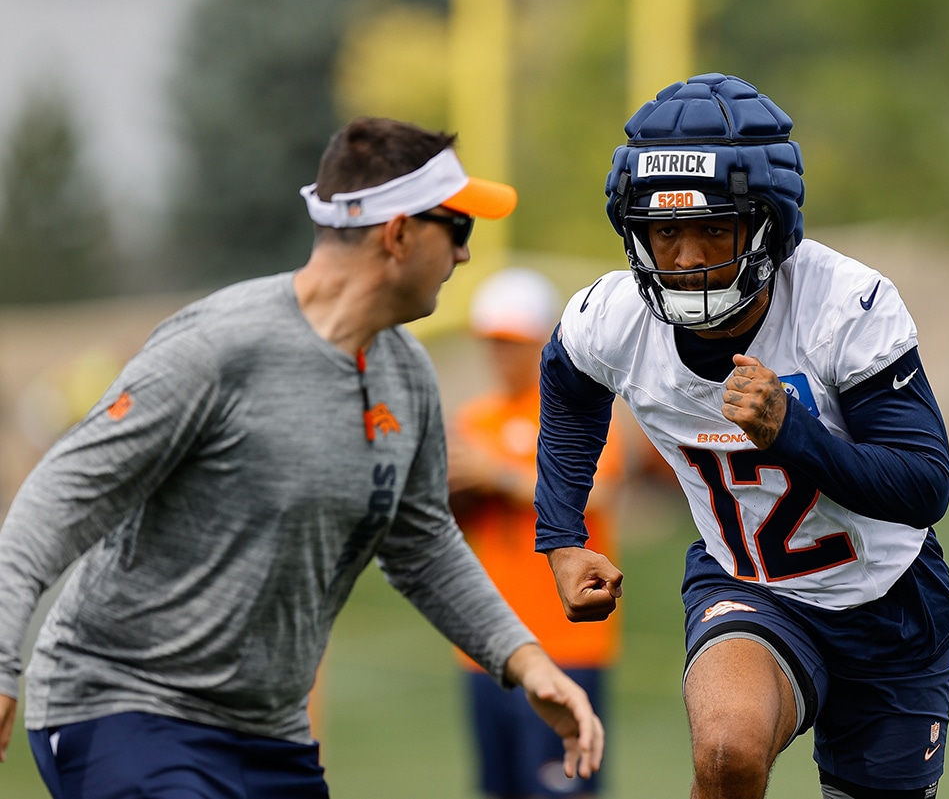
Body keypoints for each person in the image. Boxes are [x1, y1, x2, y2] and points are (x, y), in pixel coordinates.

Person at [0, 116, 603, 799]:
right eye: (457, 229)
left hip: (267, 733)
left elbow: (423, 544)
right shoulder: (217, 349)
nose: (465, 255)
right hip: (123, 704)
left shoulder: (407, 375)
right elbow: (52, 506)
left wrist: (527, 661)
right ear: (399, 233)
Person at [533, 73, 949, 799]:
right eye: (665, 230)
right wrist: (563, 535)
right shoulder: (612, 317)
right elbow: (570, 389)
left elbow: (925, 483)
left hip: (888, 599)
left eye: (714, 226)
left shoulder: (843, 305)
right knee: (728, 751)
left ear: (769, 223)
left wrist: (795, 433)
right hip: (749, 583)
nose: (687, 256)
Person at [447, 267, 624, 799]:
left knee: (561, 788)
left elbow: (602, 494)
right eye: (495, 343)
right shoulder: (473, 419)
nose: (502, 356)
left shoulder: (576, 415)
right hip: (489, 642)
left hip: (566, 642)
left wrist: (496, 473)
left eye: (515, 343)